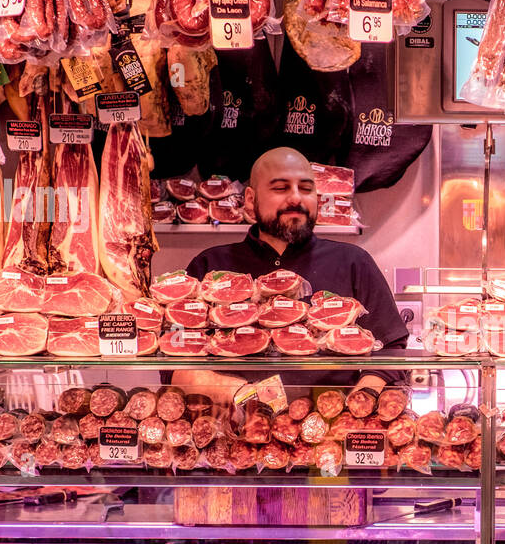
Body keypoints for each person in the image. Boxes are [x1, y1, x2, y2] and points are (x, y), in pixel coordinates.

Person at [171, 147, 408, 397]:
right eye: (280, 188)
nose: (296, 198)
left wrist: (357, 405)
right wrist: (236, 393)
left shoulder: (353, 262)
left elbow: (391, 348)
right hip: (230, 425)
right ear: (250, 199)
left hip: (327, 425)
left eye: (306, 188)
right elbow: (172, 354)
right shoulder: (210, 266)